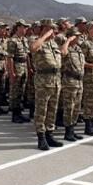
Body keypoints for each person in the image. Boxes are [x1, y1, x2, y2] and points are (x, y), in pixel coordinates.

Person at [31, 18, 63, 150]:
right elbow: (33, 48)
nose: (53, 32)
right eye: (51, 29)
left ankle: (50, 134)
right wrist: (45, 36)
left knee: (52, 110)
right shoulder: (37, 41)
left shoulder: (53, 44)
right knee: (41, 110)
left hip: (55, 80)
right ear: (44, 29)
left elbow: (64, 53)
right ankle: (41, 137)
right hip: (43, 81)